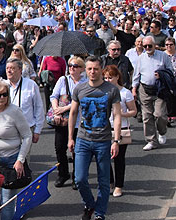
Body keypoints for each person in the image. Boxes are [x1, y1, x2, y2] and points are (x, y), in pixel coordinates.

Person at [68, 55, 122, 220]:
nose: (92, 72)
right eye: (89, 69)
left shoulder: (111, 90)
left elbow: (117, 115)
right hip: (83, 139)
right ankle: (90, 203)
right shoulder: (80, 89)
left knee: (103, 181)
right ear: (86, 70)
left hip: (103, 141)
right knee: (80, 179)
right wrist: (71, 137)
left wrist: (116, 140)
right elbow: (73, 112)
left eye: (96, 69)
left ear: (101, 70)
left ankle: (100, 213)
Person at [0, 80, 32, 220]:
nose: (2, 98)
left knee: (7, 201)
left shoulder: (14, 111)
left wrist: (20, 160)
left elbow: (27, 136)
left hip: (11, 160)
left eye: (5, 94)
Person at [50, 56, 87, 189]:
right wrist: (55, 109)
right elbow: (54, 96)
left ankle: (77, 177)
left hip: (79, 121)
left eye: (75, 66)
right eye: (70, 65)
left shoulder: (85, 82)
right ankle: (63, 173)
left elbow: (82, 100)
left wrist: (64, 108)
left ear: (82, 69)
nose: (72, 68)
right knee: (60, 148)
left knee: (77, 150)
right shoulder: (63, 79)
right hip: (63, 121)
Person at [132, 36, 172, 151]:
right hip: (145, 89)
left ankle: (162, 131)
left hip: (159, 89)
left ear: (155, 45)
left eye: (150, 46)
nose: (148, 48)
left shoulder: (163, 56)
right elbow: (136, 75)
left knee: (160, 115)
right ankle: (151, 140)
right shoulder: (141, 58)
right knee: (147, 116)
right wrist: (134, 89)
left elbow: (170, 71)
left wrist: (162, 75)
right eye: (145, 46)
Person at [103, 65, 136, 198]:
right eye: (105, 77)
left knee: (118, 158)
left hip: (121, 129)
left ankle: (118, 186)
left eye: (110, 77)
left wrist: (122, 114)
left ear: (117, 77)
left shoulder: (125, 93)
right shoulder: (102, 91)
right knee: (104, 157)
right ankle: (110, 181)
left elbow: (134, 111)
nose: (108, 80)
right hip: (105, 128)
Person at [5, 58, 45, 146]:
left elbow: (38, 107)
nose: (9, 71)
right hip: (7, 129)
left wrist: (37, 130)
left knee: (23, 159)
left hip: (26, 128)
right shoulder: (3, 85)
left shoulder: (30, 85)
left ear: (20, 70)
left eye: (12, 68)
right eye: (7, 68)